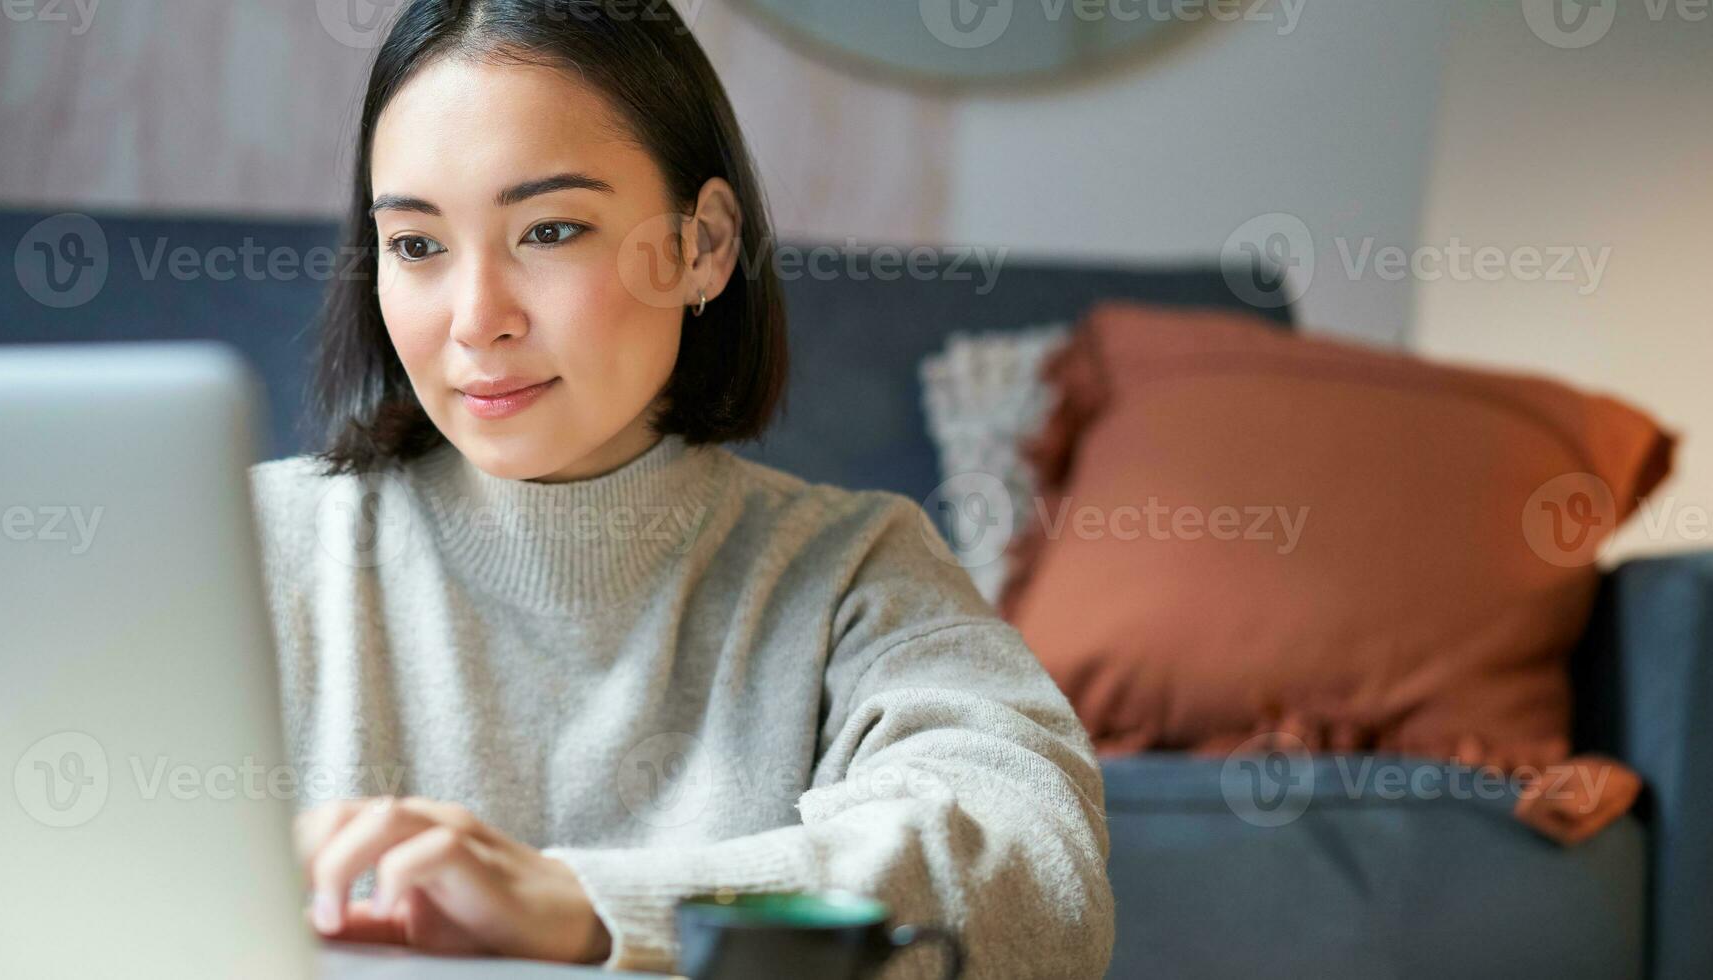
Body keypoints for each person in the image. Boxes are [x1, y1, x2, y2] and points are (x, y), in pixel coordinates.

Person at [251, 1, 1113, 975]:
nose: (474, 317)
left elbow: (1038, 876)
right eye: (415, 245)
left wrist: (581, 906)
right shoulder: (238, 544)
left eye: (550, 229)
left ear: (702, 244)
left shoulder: (850, 575)